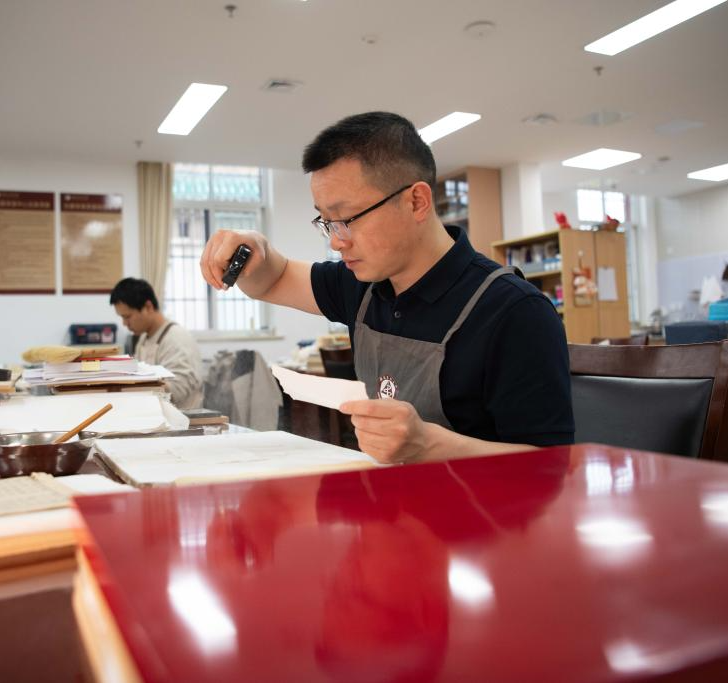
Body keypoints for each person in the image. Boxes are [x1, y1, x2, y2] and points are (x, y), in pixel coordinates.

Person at [200, 111, 573, 463]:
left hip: (481, 510)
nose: (336, 241)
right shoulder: (361, 286)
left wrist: (429, 444)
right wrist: (257, 247)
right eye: (326, 221)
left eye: (347, 219)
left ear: (416, 201)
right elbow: (275, 278)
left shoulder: (514, 311)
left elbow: (553, 467)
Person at [110, 277, 203, 410]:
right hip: (155, 412)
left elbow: (179, 389)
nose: (124, 323)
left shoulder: (176, 338)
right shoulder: (144, 338)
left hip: (182, 417)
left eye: (127, 317)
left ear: (148, 307)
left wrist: (138, 386)